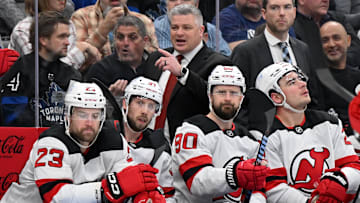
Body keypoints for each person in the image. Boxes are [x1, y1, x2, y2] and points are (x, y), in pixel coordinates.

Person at [0, 80, 165, 203]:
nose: (89, 122)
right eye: (82, 114)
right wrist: (110, 188)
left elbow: (129, 178)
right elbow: (56, 197)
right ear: (68, 115)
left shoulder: (114, 141)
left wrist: (143, 196)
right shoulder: (51, 143)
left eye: (95, 115)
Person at [255, 62, 360, 202]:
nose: (302, 84)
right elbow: (274, 188)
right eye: (292, 82)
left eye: (301, 78)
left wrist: (340, 180)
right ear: (276, 97)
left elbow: (354, 167)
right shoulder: (265, 135)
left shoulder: (329, 122)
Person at [171, 65, 269, 202]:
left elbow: (259, 188)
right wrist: (235, 174)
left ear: (241, 98)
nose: (228, 98)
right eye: (221, 92)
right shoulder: (191, 130)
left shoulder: (250, 139)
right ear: (210, 95)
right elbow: (197, 182)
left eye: (234, 93)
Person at [144, 4, 232, 142]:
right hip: (149, 145)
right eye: (175, 28)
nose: (179, 33)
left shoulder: (218, 63)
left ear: (200, 31)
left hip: (190, 146)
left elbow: (215, 101)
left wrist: (182, 73)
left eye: (187, 28)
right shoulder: (156, 58)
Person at [0, 11, 82, 127]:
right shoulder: (22, 68)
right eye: (61, 37)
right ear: (43, 40)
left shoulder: (72, 75)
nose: (67, 42)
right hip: (29, 139)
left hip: (63, 141)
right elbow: (11, 114)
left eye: (68, 37)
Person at [115, 76, 175, 201]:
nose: (145, 111)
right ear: (125, 103)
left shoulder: (160, 147)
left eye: (151, 106)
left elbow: (169, 194)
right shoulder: (106, 137)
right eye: (140, 103)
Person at [8, 0, 100, 71]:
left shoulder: (68, 24)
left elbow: (71, 70)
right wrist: (81, 48)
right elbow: (44, 73)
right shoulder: (23, 30)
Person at [85, 15, 149, 96]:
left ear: (145, 41)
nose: (125, 43)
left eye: (132, 37)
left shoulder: (154, 67)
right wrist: (112, 100)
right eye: (120, 37)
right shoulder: (100, 70)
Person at [71, 0, 158, 58]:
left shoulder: (144, 21)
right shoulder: (80, 17)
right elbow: (74, 62)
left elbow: (154, 60)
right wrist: (102, 31)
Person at [319, 21, 360, 136]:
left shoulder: (358, 77)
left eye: (336, 38)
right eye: (325, 40)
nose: (331, 44)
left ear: (348, 41)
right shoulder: (314, 82)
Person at [295, 0, 360, 68]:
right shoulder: (291, 28)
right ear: (302, 1)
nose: (325, 0)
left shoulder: (338, 19)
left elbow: (357, 51)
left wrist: (334, 59)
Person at [154, 0, 231, 56]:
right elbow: (171, 58)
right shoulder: (156, 28)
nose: (178, 3)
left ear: (196, 4)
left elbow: (226, 58)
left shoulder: (212, 30)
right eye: (172, 0)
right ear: (166, 5)